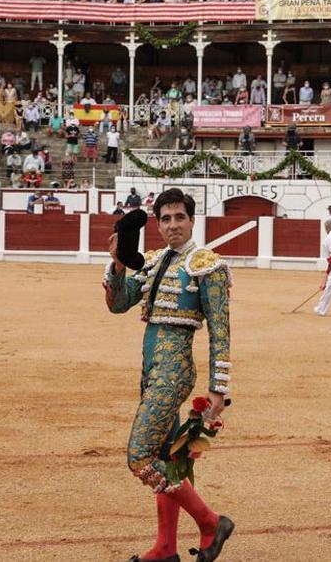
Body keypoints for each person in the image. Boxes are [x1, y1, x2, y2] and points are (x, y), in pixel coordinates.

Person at [104, 189, 235, 562]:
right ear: (158, 224)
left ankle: (211, 522)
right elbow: (118, 304)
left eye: (179, 217)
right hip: (151, 370)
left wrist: (218, 388)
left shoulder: (206, 264)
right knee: (166, 455)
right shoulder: (152, 261)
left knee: (140, 457)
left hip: (174, 371)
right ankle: (165, 547)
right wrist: (116, 263)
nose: (173, 225)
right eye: (165, 219)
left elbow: (220, 329)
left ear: (191, 220)